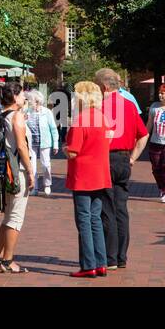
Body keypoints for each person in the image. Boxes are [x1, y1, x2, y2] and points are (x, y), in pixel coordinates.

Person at [95, 68, 148, 270]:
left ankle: (111, 257)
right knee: (121, 209)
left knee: (106, 208)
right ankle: (121, 256)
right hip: (124, 159)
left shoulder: (99, 107)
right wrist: (133, 157)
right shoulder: (129, 105)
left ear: (104, 87)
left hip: (105, 159)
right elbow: (143, 135)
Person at [65, 81, 111, 278]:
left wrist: (65, 149)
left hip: (83, 175)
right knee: (95, 219)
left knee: (83, 219)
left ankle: (88, 264)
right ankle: (101, 262)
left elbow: (73, 152)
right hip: (100, 173)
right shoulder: (102, 118)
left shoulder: (80, 119)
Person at [0, 83, 32, 275]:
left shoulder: (0, 115)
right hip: (17, 172)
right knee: (15, 218)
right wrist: (31, 172)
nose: (25, 98)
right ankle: (8, 261)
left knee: (7, 217)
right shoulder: (16, 116)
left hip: (3, 171)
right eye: (23, 95)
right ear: (15, 97)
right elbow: (22, 146)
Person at [25, 91, 59, 196]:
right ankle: (34, 187)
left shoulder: (47, 112)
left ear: (38, 101)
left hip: (45, 142)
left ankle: (47, 184)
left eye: (31, 100)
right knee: (32, 166)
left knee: (46, 165)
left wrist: (55, 144)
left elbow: (53, 128)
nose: (29, 102)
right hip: (32, 143)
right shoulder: (27, 112)